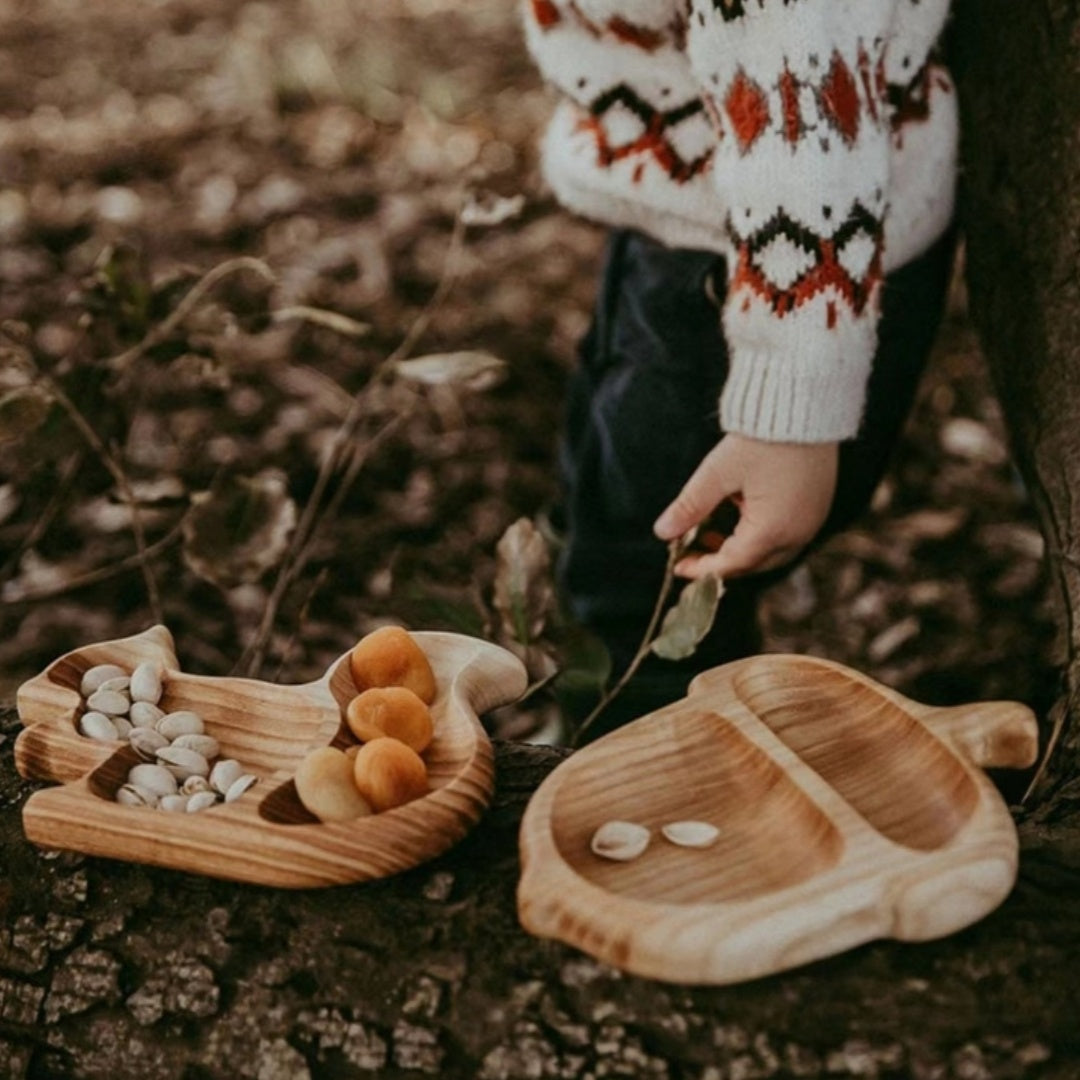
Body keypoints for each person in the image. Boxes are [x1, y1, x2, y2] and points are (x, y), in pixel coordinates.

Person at [522, 0, 959, 735]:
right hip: (709, 202)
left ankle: (652, 787)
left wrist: (789, 416)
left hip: (775, 265)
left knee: (649, 586)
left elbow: (800, 73)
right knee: (605, 504)